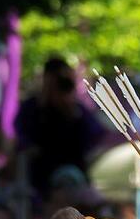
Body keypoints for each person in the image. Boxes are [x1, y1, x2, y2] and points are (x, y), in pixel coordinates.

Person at [15, 58, 107, 199]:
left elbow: (96, 135)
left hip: (75, 176)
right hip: (42, 181)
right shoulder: (32, 108)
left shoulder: (78, 110)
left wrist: (72, 111)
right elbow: (22, 138)